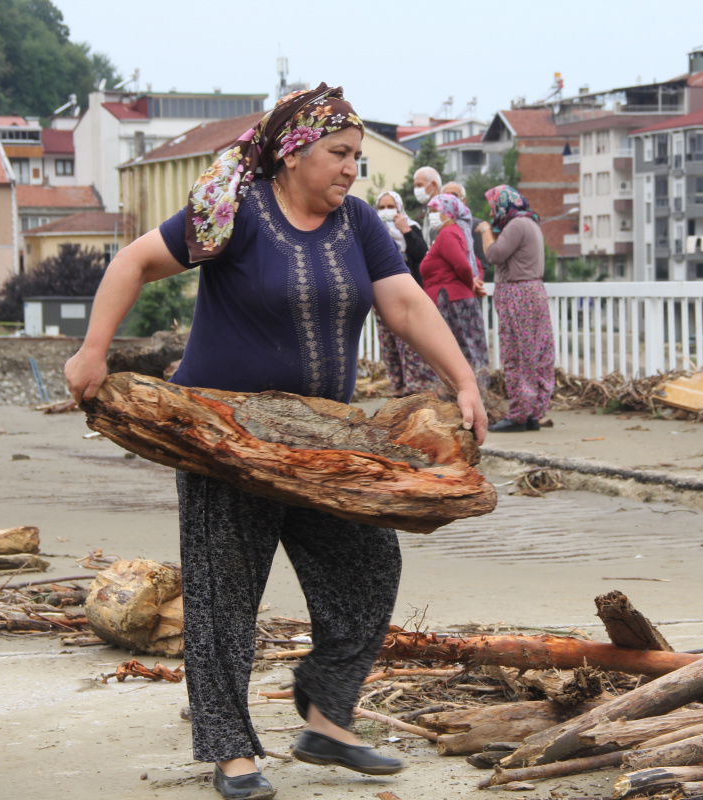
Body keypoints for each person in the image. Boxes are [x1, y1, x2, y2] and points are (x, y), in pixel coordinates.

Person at [64, 84, 487, 800]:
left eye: (357, 155)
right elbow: (132, 261)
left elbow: (406, 301)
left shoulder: (358, 223)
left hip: (325, 443)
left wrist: (464, 381)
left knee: (368, 569)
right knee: (225, 594)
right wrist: (93, 352)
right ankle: (231, 751)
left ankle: (326, 716)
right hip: (224, 439)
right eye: (338, 153)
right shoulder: (232, 210)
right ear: (293, 154)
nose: (353, 168)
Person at [476, 185, 554, 433]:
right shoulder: (530, 222)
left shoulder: (517, 225)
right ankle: (533, 412)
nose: (491, 211)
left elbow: (495, 255)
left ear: (503, 205)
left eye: (493, 205)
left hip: (517, 294)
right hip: (532, 292)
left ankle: (519, 414)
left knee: (518, 354)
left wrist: (486, 232)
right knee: (535, 352)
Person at [418, 193, 491, 398]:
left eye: (435, 211)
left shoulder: (448, 234)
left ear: (448, 213)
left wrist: (470, 283)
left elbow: (463, 265)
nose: (432, 216)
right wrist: (474, 283)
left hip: (450, 300)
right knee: (468, 346)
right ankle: (475, 391)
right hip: (455, 297)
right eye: (430, 211)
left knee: (457, 348)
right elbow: (473, 264)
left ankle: (469, 392)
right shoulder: (456, 232)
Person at [373, 190, 440, 395]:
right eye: (382, 207)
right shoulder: (374, 232)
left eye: (390, 206)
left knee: (410, 344)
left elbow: (421, 254)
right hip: (382, 299)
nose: (386, 211)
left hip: (408, 297)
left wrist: (406, 231)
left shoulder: (412, 228)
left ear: (399, 208)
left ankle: (416, 390)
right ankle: (398, 389)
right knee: (389, 346)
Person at [442, 181, 489, 275]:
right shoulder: (436, 228)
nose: (450, 198)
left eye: (454, 195)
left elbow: (482, 263)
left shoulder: (476, 225)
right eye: (446, 195)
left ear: (463, 200)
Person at [412, 166, 443, 244]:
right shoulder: (428, 210)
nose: (416, 190)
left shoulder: (445, 211)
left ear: (433, 185)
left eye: (419, 185)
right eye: (415, 186)